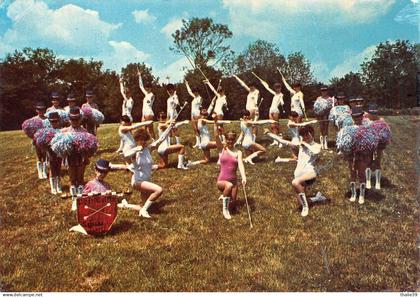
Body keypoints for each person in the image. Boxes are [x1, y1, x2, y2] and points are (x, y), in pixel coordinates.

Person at [111, 123, 176, 218]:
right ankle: (143, 211)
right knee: (158, 190)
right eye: (141, 140)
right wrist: (137, 149)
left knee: (144, 205)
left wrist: (170, 126)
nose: (143, 142)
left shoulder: (148, 149)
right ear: (137, 140)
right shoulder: (134, 152)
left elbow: (160, 139)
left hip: (147, 180)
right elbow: (125, 155)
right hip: (138, 181)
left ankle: (125, 205)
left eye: (145, 140)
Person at [264, 125, 322, 217]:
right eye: (303, 135)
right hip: (299, 174)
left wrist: (305, 144)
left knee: (295, 183)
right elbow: (283, 141)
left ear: (312, 134)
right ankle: (318, 198)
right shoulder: (300, 145)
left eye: (307, 135)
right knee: (300, 202)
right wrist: (269, 134)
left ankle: (305, 208)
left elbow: (316, 152)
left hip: (310, 174)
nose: (305, 137)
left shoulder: (317, 145)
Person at [214, 122, 247, 220]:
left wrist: (244, 177)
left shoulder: (238, 152)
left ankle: (225, 196)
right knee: (228, 186)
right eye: (228, 139)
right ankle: (224, 210)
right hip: (222, 181)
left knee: (233, 205)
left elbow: (241, 165)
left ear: (235, 140)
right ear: (225, 139)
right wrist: (215, 122)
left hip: (234, 181)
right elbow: (216, 136)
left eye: (232, 139)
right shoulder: (221, 149)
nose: (230, 141)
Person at [62, 107, 90, 209]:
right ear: (69, 120)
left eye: (77, 119)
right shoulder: (65, 131)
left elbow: (88, 145)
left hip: (80, 157)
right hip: (69, 158)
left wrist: (86, 157)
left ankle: (80, 198)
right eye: (72, 119)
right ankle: (74, 199)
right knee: (72, 179)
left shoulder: (84, 131)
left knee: (80, 178)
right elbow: (60, 146)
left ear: (80, 119)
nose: (75, 121)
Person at [348, 107, 371, 204]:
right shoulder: (349, 128)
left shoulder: (366, 128)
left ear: (362, 117)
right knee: (352, 173)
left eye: (358, 116)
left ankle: (361, 194)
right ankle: (353, 193)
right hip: (352, 155)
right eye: (354, 117)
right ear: (352, 117)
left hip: (363, 155)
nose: (356, 119)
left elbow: (370, 142)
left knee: (361, 173)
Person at [366, 103, 391, 190]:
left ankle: (377, 181)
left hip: (379, 144)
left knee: (377, 162)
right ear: (368, 113)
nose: (373, 115)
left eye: (375, 113)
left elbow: (386, 132)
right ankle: (368, 180)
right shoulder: (366, 120)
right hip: (368, 144)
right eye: (371, 113)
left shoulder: (381, 120)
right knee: (368, 161)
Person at [254, 76, 284, 146]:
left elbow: (282, 100)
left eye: (278, 88)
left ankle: (280, 140)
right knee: (272, 126)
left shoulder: (281, 95)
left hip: (276, 110)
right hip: (271, 110)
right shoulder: (274, 94)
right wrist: (263, 82)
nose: (277, 89)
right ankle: (275, 140)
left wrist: (282, 102)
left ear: (280, 88)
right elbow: (267, 88)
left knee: (276, 125)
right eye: (276, 88)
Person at [46, 112, 63, 194]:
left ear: (58, 121)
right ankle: (53, 187)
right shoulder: (48, 131)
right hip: (50, 152)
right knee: (52, 168)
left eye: (55, 121)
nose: (54, 123)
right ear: (49, 121)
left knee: (58, 168)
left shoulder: (61, 130)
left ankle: (58, 185)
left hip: (59, 153)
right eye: (52, 121)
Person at [138, 70, 156, 140]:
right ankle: (144, 143)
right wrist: (139, 76)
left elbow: (150, 100)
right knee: (143, 129)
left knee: (150, 129)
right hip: (144, 113)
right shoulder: (146, 94)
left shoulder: (152, 95)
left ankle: (154, 142)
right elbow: (141, 86)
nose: (147, 88)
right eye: (146, 87)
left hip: (149, 113)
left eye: (148, 87)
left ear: (150, 88)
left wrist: (150, 98)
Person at [185, 80, 202, 148]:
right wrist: (187, 84)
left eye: (195, 92)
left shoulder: (200, 98)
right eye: (194, 92)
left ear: (198, 92)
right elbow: (189, 92)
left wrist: (200, 116)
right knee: (195, 129)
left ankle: (201, 143)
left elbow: (200, 107)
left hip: (197, 115)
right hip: (192, 115)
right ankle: (197, 143)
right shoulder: (194, 97)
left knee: (199, 129)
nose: (194, 93)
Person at [33, 101, 48, 179]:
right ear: (36, 110)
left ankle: (44, 171)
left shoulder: (47, 119)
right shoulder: (34, 119)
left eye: (42, 109)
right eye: (39, 109)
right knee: (39, 155)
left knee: (45, 155)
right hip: (37, 140)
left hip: (45, 140)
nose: (40, 111)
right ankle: (40, 171)